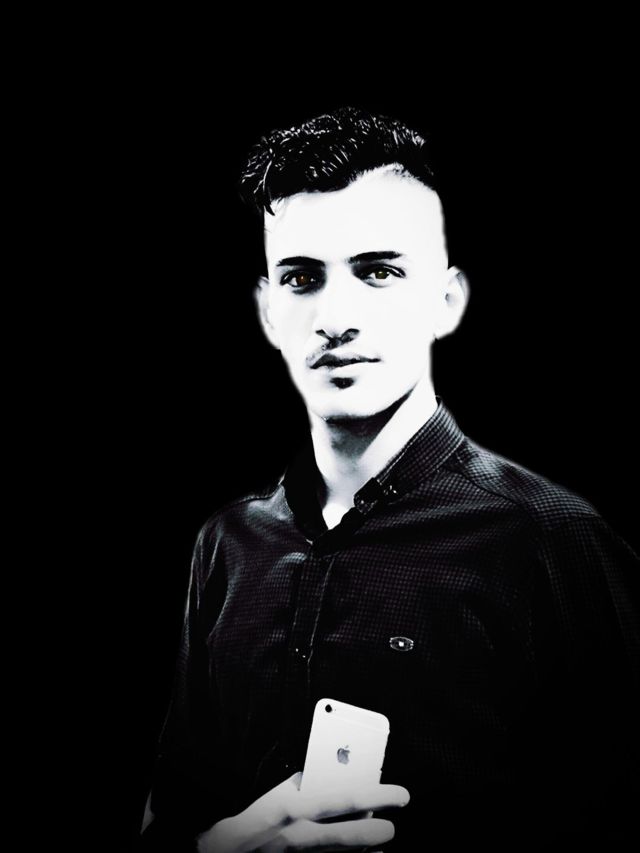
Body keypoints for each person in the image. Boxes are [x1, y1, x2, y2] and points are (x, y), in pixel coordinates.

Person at [137, 106, 640, 851]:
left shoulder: (548, 538)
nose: (336, 317)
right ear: (269, 312)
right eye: (302, 278)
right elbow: (169, 815)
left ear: (446, 300)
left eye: (378, 271)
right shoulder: (228, 543)